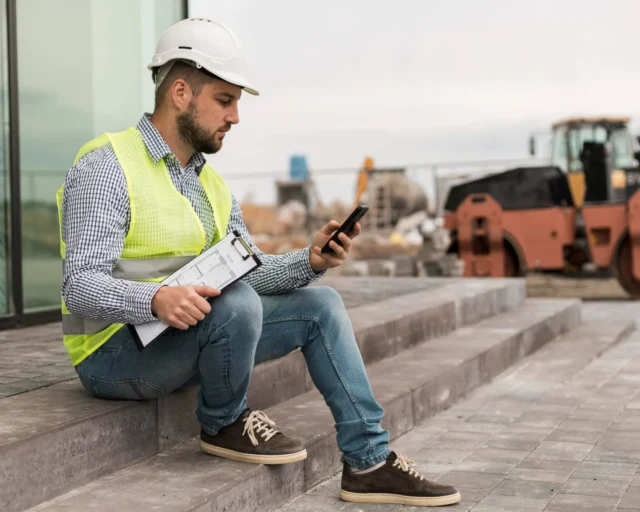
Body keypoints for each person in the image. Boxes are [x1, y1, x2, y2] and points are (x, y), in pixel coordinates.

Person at [58, 17, 460, 508]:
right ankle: (224, 421)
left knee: (322, 305)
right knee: (237, 306)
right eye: (224, 101)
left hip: (186, 336)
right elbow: (79, 285)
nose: (235, 117)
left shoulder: (211, 185)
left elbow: (246, 271)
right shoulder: (107, 166)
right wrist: (156, 298)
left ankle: (368, 462)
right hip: (112, 353)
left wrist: (310, 260)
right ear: (181, 92)